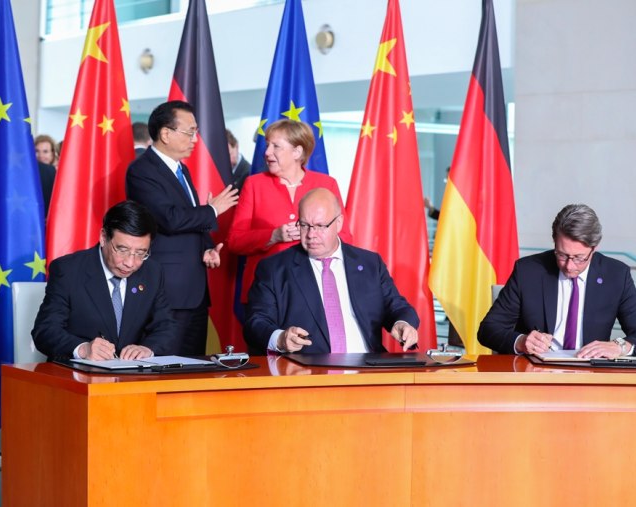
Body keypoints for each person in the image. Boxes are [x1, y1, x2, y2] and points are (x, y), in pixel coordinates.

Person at [244, 188, 419, 355]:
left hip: (368, 367)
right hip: (306, 369)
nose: (311, 234)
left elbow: (397, 307)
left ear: (339, 223)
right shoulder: (274, 269)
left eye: (320, 226)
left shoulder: (370, 263)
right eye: (304, 225)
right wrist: (280, 339)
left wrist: (403, 323)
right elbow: (255, 322)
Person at [126, 100, 238, 355]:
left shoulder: (182, 170)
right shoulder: (142, 171)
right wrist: (212, 210)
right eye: (190, 132)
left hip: (194, 290)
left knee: (193, 365)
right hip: (168, 290)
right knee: (165, 364)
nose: (195, 139)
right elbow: (169, 218)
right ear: (166, 134)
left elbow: (189, 221)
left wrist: (206, 248)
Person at [478, 203, 636, 358]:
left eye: (579, 258)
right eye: (562, 255)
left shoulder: (616, 275)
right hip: (536, 372)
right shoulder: (528, 271)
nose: (569, 266)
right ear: (554, 242)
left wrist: (619, 346)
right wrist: (521, 341)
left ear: (594, 248)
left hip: (591, 374)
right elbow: (488, 329)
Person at [32, 200, 178, 360]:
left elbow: (166, 327)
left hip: (131, 372)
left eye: (141, 252)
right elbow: (45, 330)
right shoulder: (68, 270)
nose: (130, 263)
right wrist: (83, 349)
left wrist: (147, 349)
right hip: (77, 372)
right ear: (103, 237)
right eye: (122, 250)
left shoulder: (152, 272)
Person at [227, 120, 351, 305]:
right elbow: (235, 241)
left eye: (276, 146)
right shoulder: (254, 184)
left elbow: (345, 237)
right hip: (266, 292)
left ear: (297, 152)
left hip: (316, 291)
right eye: (267, 145)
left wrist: (317, 236)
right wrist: (273, 236)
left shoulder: (326, 184)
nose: (267, 152)